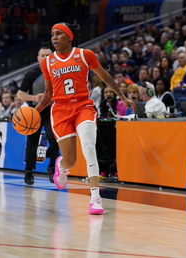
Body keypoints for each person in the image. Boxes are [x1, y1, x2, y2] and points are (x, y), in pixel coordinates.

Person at [34, 22, 134, 215]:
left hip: (83, 106)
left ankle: (95, 198)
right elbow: (47, 94)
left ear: (69, 37)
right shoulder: (47, 62)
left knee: (89, 147)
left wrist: (122, 96)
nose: (54, 37)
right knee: (71, 161)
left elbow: (106, 78)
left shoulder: (84, 55)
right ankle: (61, 167)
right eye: (52, 34)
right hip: (61, 110)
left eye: (58, 34)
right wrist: (33, 112)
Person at [17, 46, 60, 185]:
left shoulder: (59, 73)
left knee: (54, 139)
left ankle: (52, 167)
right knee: (32, 143)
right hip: (35, 111)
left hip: (52, 111)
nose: (46, 58)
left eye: (49, 55)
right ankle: (29, 170)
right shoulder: (32, 74)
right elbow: (20, 94)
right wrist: (35, 98)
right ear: (38, 58)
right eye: (43, 55)